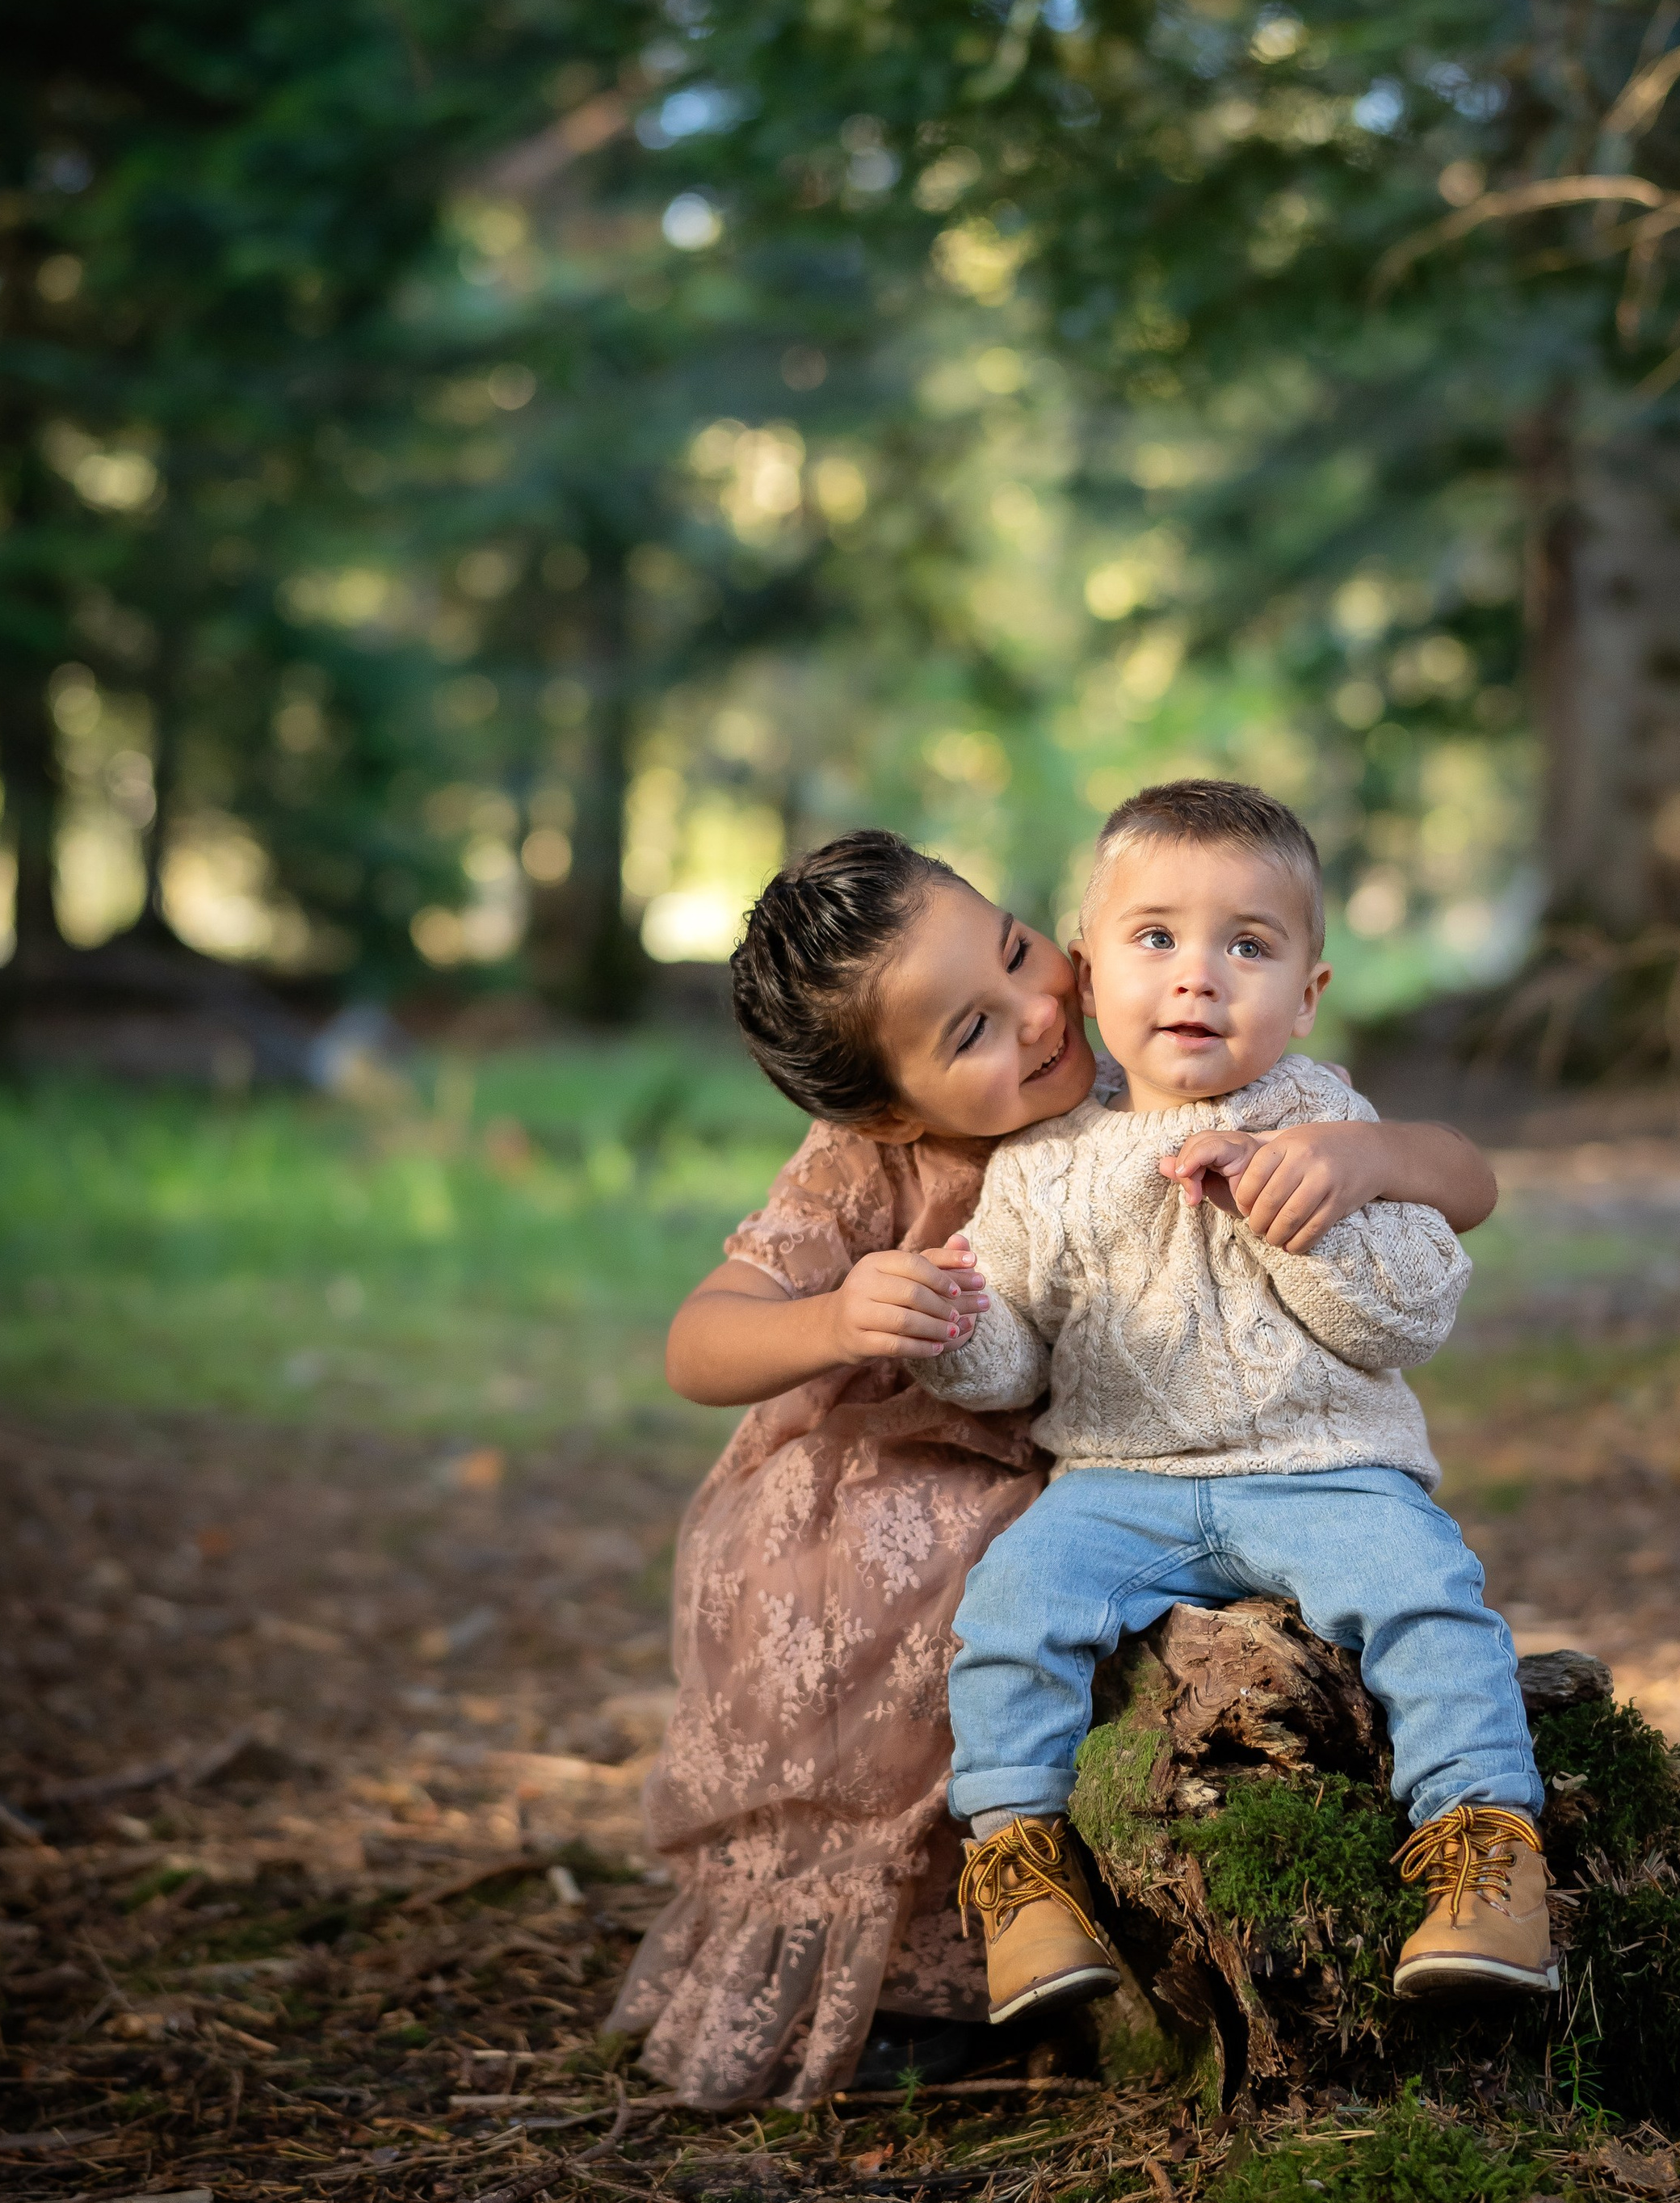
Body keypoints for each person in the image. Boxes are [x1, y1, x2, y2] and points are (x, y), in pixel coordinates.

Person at [610, 826, 1498, 2108]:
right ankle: (924, 1994)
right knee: (971, 1627)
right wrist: (838, 1317)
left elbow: (1466, 1182)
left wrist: (1369, 1161)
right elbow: (699, 1344)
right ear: (893, 1106)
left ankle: (1099, 1938)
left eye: (1021, 951)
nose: (1036, 1013)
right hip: (879, 1511)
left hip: (1110, 1468)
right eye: (969, 1031)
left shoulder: (1153, 1057)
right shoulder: (872, 1159)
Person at [918, 780, 1553, 2030]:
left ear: (1308, 991)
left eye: (1247, 946)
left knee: (1431, 1599)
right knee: (1009, 1610)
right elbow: (1013, 1368)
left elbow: (1407, 1320)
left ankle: (1489, 1850)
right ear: (1092, 972)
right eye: (1156, 939)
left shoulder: (1329, 1122)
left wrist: (1295, 1213)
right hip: (1115, 1484)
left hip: (1328, 1471)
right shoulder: (1041, 1164)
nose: (1197, 977)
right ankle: (1023, 1873)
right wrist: (948, 1325)